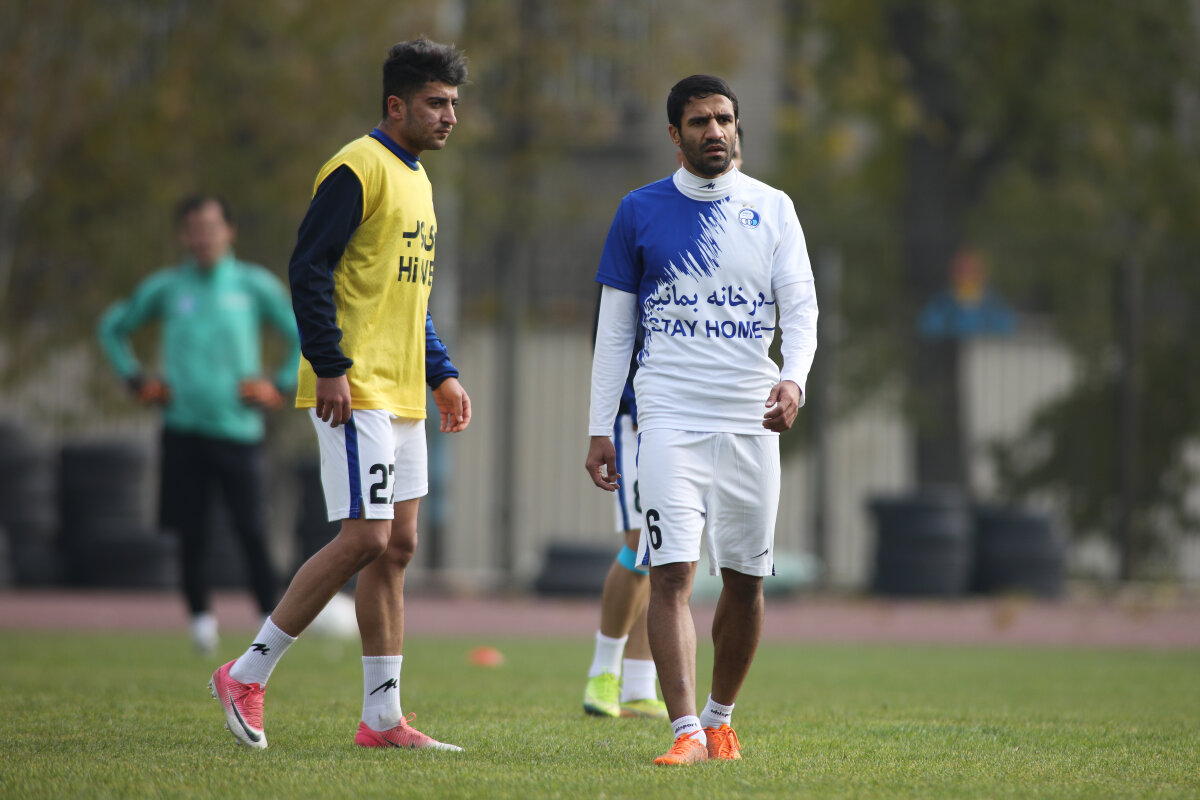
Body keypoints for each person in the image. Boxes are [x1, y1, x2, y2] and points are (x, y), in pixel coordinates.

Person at [209, 36, 472, 753]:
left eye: (453, 103)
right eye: (436, 103)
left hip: (402, 390)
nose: (450, 116)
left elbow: (408, 295)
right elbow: (309, 268)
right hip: (355, 388)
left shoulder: (419, 180)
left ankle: (382, 719)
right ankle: (245, 672)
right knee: (366, 537)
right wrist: (328, 364)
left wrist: (441, 372)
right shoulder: (358, 167)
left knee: (397, 548)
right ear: (396, 105)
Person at [585, 75, 817, 765]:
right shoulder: (639, 210)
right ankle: (685, 730)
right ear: (674, 134)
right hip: (668, 419)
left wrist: (793, 380)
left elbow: (801, 310)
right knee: (670, 575)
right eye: (698, 121)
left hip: (751, 420)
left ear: (738, 127)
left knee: (745, 581)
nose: (714, 131)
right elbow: (614, 332)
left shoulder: (773, 208)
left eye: (724, 119)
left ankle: (720, 720)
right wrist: (600, 427)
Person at [581, 132, 743, 720]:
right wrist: (611, 414)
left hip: (711, 420)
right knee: (642, 546)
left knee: (668, 554)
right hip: (645, 416)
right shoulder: (647, 218)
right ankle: (604, 672)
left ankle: (636, 683)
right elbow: (612, 329)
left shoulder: (746, 227)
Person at [98, 194, 300, 654]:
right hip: (183, 430)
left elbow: (300, 333)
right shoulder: (168, 288)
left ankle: (269, 628)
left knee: (251, 530)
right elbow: (112, 327)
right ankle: (201, 626)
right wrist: (134, 378)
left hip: (239, 431)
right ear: (183, 235)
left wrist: (279, 385)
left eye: (210, 227)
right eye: (193, 228)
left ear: (229, 231)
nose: (202, 237)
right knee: (192, 533)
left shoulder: (252, 286)